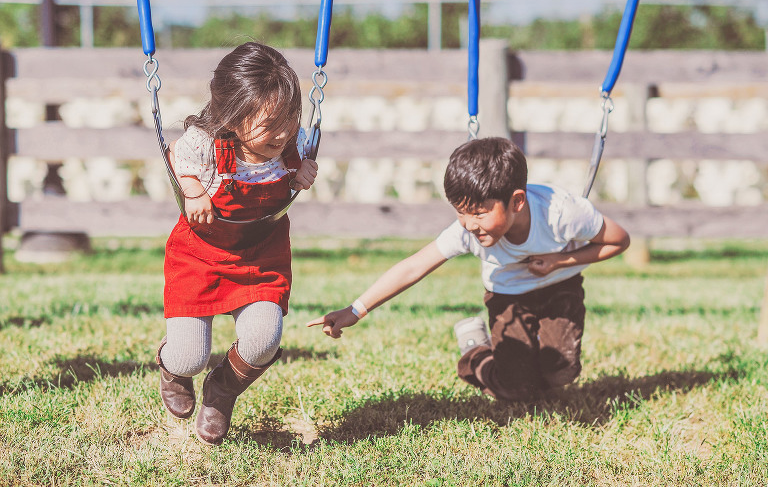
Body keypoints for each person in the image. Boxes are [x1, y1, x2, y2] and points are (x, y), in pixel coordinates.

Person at [309, 137, 629, 404]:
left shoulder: (563, 213)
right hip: (508, 296)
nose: (469, 224)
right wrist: (355, 309)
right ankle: (477, 352)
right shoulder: (467, 230)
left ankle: (534, 374)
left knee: (562, 372)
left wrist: (559, 262)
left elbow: (618, 240)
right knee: (516, 388)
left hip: (561, 287)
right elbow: (414, 266)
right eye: (460, 212)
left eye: (478, 212)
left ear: (516, 201)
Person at [156, 42, 318, 446]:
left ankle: (223, 390)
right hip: (201, 256)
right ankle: (171, 366)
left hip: (261, 254)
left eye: (290, 119)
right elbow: (176, 154)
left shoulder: (289, 142)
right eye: (269, 124)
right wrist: (194, 192)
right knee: (189, 356)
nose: (282, 133)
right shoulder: (206, 141)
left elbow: (294, 160)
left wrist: (302, 174)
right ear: (231, 117)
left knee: (265, 338)